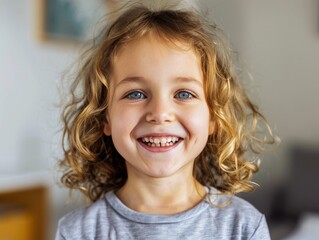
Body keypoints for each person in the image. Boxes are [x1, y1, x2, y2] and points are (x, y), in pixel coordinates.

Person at [55, 3, 277, 240]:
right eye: (136, 94)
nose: (160, 113)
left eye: (183, 94)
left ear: (213, 116)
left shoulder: (244, 227)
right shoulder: (77, 232)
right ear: (104, 116)